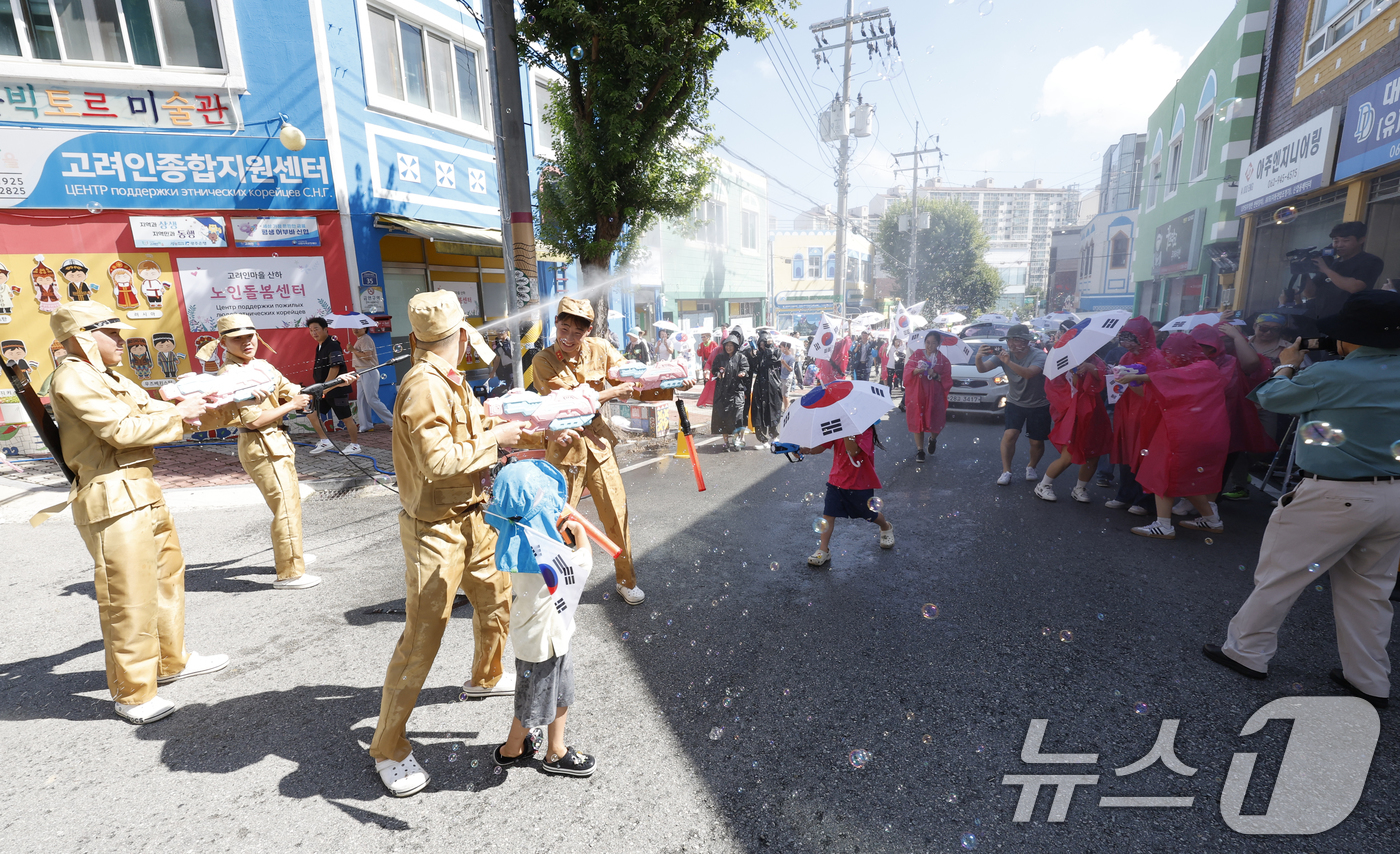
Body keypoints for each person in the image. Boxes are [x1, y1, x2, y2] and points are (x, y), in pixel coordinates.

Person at [1204, 290, 1400, 708]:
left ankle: (1246, 652)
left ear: (1349, 336)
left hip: (1333, 494)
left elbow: (1271, 399)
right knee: (1369, 591)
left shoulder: (1332, 376)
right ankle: (1369, 680)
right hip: (1394, 497)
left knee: (1282, 575)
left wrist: (1286, 367)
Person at [369, 291, 530, 797]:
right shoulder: (423, 386)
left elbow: (462, 436)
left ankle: (485, 675)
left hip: (473, 513)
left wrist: (496, 421)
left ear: (417, 337)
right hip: (434, 527)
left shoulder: (446, 378)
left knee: (496, 596)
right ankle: (387, 747)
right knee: (422, 639)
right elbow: (439, 462)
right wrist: (496, 437)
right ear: (461, 335)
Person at [46, 301, 231, 724]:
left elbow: (147, 410)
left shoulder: (106, 376)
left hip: (140, 484)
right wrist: (179, 414)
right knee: (127, 595)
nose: (121, 340)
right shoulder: (73, 375)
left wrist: (194, 404)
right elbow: (122, 430)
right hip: (110, 491)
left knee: (167, 576)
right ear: (82, 337)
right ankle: (132, 691)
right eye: (111, 333)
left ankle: (170, 661)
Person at [532, 297, 649, 605]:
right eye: (564, 326)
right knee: (555, 519)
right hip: (563, 446)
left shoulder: (600, 348)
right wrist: (612, 391)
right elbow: (568, 402)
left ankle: (626, 580)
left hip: (597, 445)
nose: (569, 337)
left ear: (588, 331)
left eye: (577, 331)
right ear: (556, 321)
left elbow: (630, 375)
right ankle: (551, 582)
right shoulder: (542, 360)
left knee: (617, 514)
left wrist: (668, 380)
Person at [487, 460, 597, 777]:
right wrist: (582, 538)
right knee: (534, 701)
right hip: (545, 642)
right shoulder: (545, 554)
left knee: (555, 693)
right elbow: (580, 568)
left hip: (537, 636)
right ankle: (517, 749)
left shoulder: (514, 538)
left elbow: (500, 511)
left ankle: (550, 747)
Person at [200, 315, 321, 590]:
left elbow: (288, 389)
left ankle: (292, 554)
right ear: (224, 343)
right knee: (286, 508)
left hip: (276, 441)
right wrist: (292, 406)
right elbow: (253, 420)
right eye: (237, 338)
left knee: (288, 504)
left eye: (250, 336)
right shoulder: (231, 375)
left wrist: (328, 385)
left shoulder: (261, 365)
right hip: (260, 443)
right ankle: (290, 573)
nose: (246, 342)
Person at [1119, 332, 1230, 540]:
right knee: (1186, 478)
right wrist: (1135, 382)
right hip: (1201, 429)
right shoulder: (1203, 368)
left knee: (1164, 472)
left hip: (1184, 430)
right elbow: (1160, 391)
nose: (1167, 357)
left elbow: (1171, 381)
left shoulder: (1202, 368)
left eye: (1170, 353)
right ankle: (1211, 520)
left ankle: (1163, 525)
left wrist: (1139, 377)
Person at [800, 423, 895, 567]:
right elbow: (821, 447)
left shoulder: (865, 429)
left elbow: (853, 451)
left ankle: (885, 526)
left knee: (869, 514)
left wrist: (846, 430)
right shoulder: (837, 426)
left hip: (860, 483)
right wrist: (803, 450)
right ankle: (823, 549)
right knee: (828, 515)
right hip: (836, 481)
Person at [1105, 317, 1169, 514]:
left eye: (1131, 339)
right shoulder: (1126, 357)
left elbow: (1158, 391)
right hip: (1127, 412)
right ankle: (1125, 495)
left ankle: (1144, 499)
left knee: (1144, 455)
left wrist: (1131, 382)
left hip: (1148, 413)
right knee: (1127, 454)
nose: (1127, 345)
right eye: (1124, 339)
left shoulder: (1157, 358)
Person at [976, 324, 1050, 485]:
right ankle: (1006, 471)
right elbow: (983, 369)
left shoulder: (1039, 356)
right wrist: (978, 357)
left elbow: (1029, 374)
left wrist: (1008, 362)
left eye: (1016, 341)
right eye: (1009, 340)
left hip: (1039, 403)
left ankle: (1031, 466)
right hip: (1014, 401)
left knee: (1036, 441)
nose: (1011, 344)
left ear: (1027, 342)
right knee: (1010, 435)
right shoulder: (1004, 355)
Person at [1039, 354, 1112, 503]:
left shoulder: (1095, 359)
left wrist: (1092, 368)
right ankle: (1043, 485)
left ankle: (1080, 488)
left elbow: (1105, 379)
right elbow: (1057, 389)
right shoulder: (1062, 360)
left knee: (1093, 454)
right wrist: (1076, 375)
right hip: (1074, 412)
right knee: (1069, 455)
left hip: (1094, 411)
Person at [1308, 221, 1384, 321]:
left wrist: (1326, 269)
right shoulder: (1331, 263)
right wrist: (1303, 271)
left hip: (1350, 321)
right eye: (1336, 241)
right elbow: (1310, 293)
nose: (1339, 245)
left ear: (1361, 240)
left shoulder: (1370, 261)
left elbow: (1355, 287)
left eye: (1345, 241)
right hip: (1323, 321)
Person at [305, 317, 360, 456]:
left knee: (346, 418)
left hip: (336, 389)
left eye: (316, 329)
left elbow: (335, 368)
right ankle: (325, 440)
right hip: (323, 389)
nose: (313, 333)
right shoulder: (320, 345)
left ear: (325, 329)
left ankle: (355, 445)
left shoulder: (333, 344)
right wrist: (322, 388)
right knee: (311, 413)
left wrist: (326, 387)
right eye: (311, 330)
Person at [903, 330, 953, 463]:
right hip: (918, 393)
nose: (929, 346)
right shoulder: (917, 355)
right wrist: (916, 370)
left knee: (936, 420)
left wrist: (935, 374)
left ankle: (933, 438)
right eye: (927, 342)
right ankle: (920, 450)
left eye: (933, 343)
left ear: (938, 344)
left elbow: (947, 380)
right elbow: (907, 371)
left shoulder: (943, 360)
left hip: (935, 395)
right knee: (918, 420)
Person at [710, 330, 750, 451]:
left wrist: (743, 373)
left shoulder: (741, 357)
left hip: (736, 391)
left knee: (738, 417)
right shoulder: (719, 357)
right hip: (722, 392)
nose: (728, 348)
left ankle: (737, 440)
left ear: (735, 346)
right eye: (727, 345)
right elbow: (714, 369)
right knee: (723, 416)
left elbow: (745, 368)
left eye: (731, 346)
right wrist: (718, 373)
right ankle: (726, 442)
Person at [351, 326, 395, 431]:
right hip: (360, 371)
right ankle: (365, 425)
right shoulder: (360, 339)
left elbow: (368, 356)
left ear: (365, 329)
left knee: (371, 399)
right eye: (354, 328)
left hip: (368, 370)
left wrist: (352, 349)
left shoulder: (366, 339)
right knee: (361, 399)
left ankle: (394, 422)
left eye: (358, 328)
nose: (355, 329)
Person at [748, 331, 784, 447]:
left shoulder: (776, 351)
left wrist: (768, 347)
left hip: (773, 386)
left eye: (764, 343)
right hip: (760, 386)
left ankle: (774, 435)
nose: (762, 346)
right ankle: (762, 439)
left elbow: (773, 360)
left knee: (773, 410)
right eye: (761, 343)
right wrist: (753, 354)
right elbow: (754, 368)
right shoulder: (758, 354)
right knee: (759, 412)